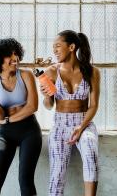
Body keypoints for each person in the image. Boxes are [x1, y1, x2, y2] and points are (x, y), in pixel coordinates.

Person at [40, 30, 101, 196]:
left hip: (84, 124)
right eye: (53, 47)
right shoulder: (51, 72)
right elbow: (48, 105)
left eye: (58, 46)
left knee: (90, 153)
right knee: (57, 172)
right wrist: (46, 96)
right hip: (60, 126)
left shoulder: (92, 72)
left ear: (72, 47)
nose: (54, 50)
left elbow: (94, 105)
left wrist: (80, 128)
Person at [0, 38, 42, 196]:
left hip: (29, 130)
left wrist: (8, 120)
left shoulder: (26, 75)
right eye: (10, 55)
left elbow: (32, 106)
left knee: (25, 180)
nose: (15, 58)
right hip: (5, 133)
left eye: (16, 54)